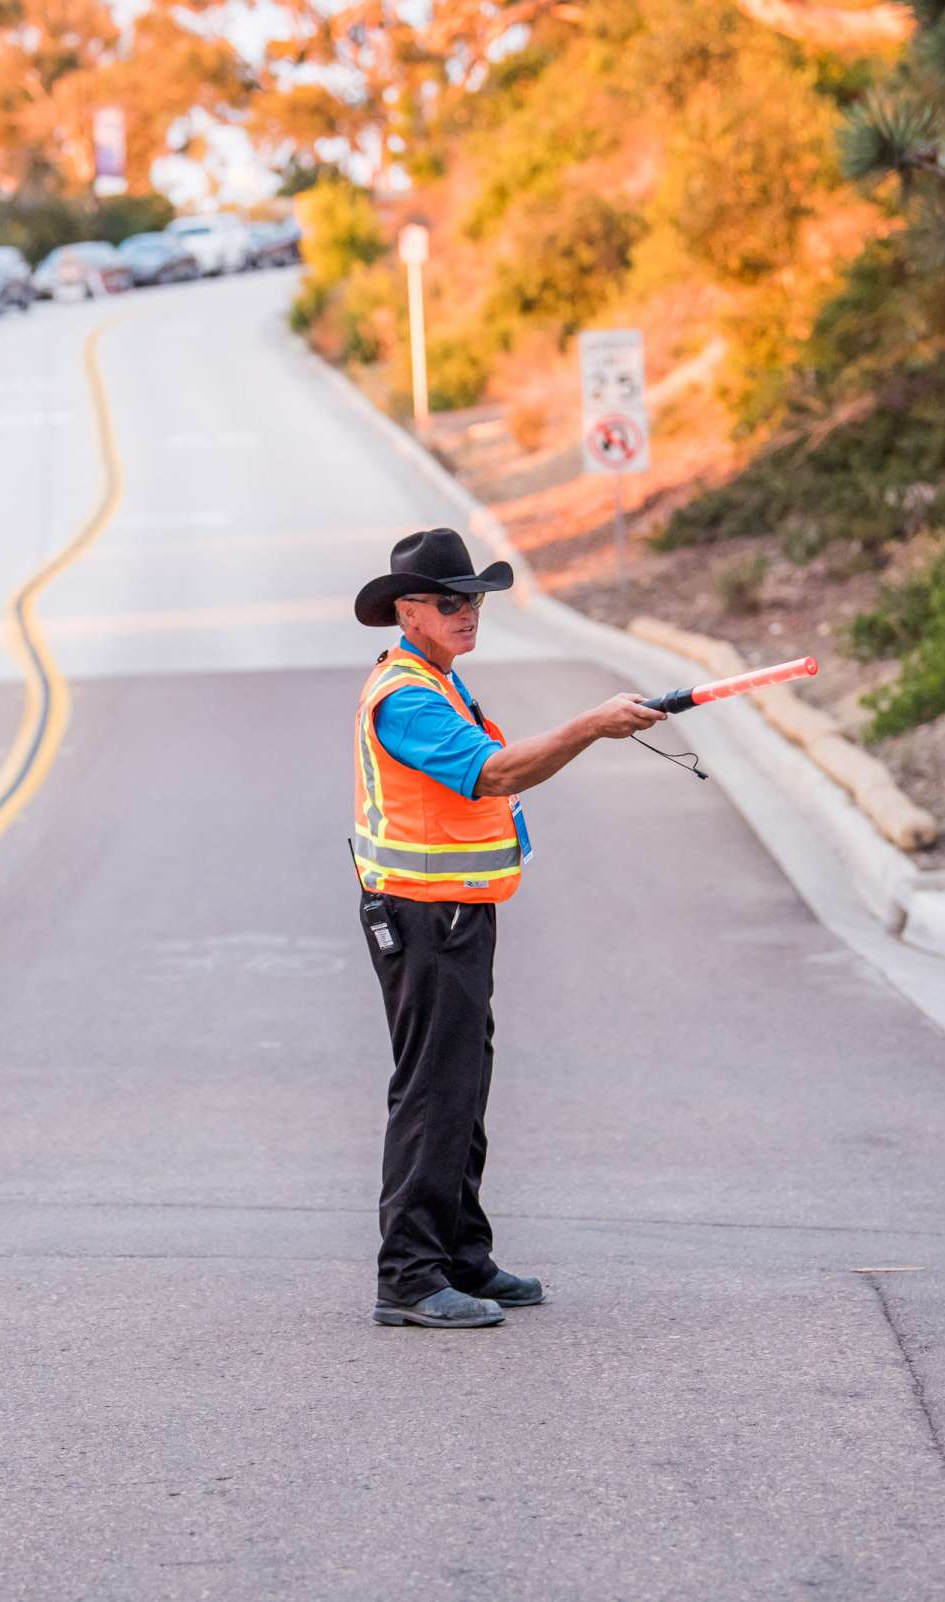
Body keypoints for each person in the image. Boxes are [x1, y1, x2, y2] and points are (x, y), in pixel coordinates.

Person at [350, 529, 665, 1329]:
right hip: (425, 918)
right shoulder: (409, 697)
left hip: (454, 913)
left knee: (463, 1086)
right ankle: (411, 1277)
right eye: (451, 601)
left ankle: (460, 1255)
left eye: (476, 599)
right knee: (433, 1090)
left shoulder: (440, 681)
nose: (469, 613)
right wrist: (590, 726)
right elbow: (497, 773)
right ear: (408, 612)